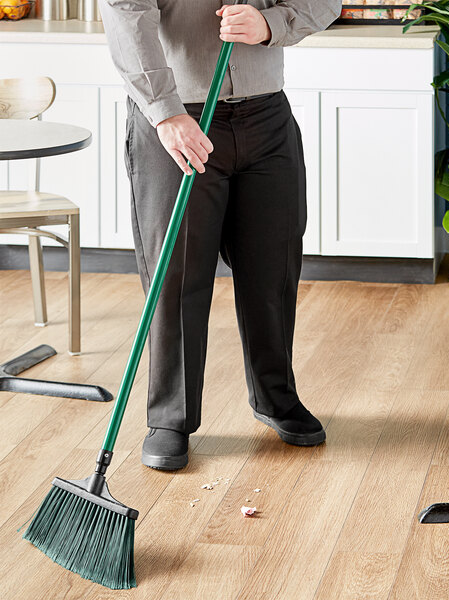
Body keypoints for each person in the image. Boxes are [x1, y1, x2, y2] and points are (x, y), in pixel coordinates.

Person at [99, 0, 342, 470]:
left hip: (266, 118)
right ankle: (170, 417)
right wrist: (164, 111)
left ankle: (276, 397)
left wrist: (271, 23)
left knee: (272, 268)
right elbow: (127, 14)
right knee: (177, 279)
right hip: (178, 122)